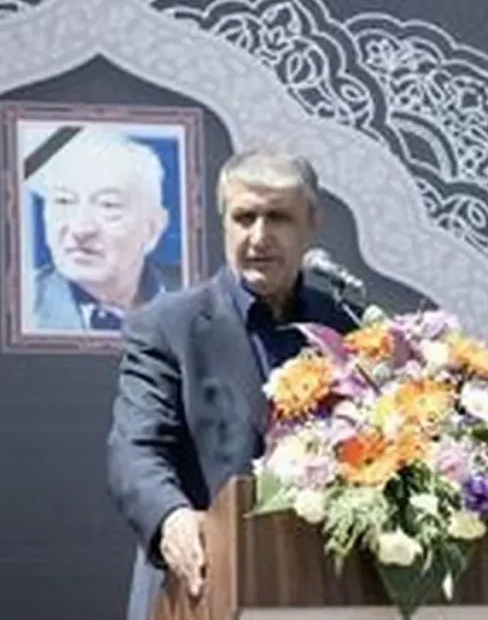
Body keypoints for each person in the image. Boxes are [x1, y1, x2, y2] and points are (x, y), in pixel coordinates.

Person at [105, 145, 358, 620]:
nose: (259, 237)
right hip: (200, 588)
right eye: (244, 218)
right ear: (224, 222)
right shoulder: (168, 326)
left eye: (278, 217)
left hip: (326, 593)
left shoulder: (350, 329)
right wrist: (171, 516)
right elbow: (135, 450)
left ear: (312, 223)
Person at [25, 127, 178, 333]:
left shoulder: (192, 296)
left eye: (108, 205)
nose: (80, 229)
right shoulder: (23, 304)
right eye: (64, 201)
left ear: (153, 228)